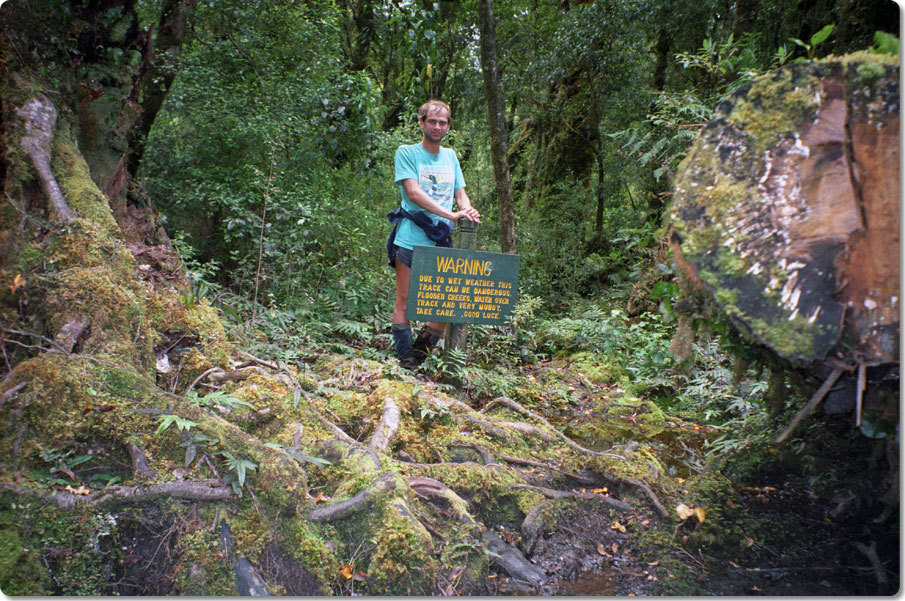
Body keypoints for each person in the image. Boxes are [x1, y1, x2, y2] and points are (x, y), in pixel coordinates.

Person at [387, 100, 480, 369]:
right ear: (421, 123)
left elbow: (460, 192)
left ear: (448, 126)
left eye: (443, 123)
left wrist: (466, 209)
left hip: (441, 242)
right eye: (432, 121)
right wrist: (450, 215)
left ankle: (416, 358)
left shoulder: (450, 156)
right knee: (404, 300)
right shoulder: (407, 153)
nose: (437, 127)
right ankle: (404, 359)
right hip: (410, 239)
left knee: (442, 307)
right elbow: (414, 193)